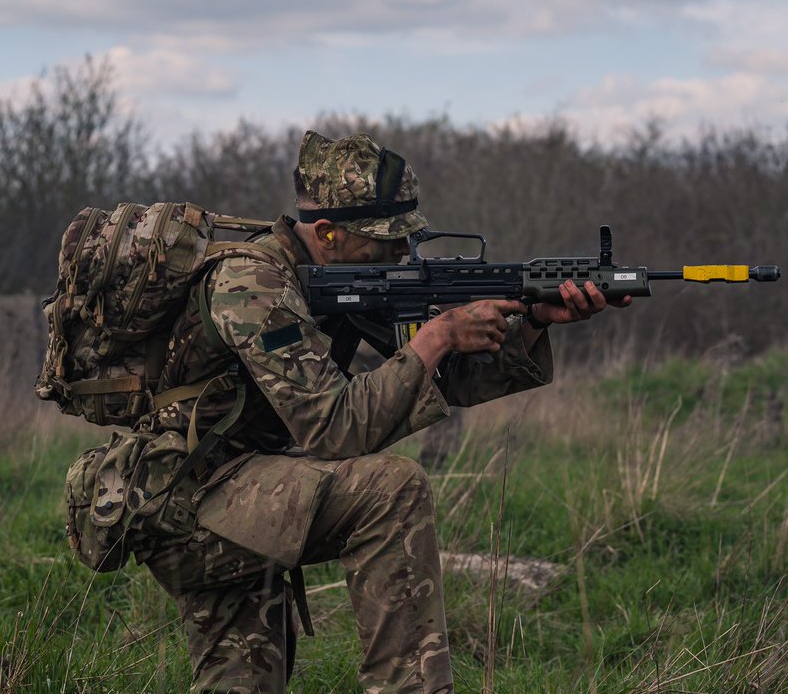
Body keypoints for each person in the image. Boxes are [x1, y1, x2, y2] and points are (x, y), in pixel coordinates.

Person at [131, 130, 629, 693]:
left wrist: (532, 322)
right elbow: (333, 427)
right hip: (186, 499)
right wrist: (439, 334)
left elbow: (438, 382)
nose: (400, 254)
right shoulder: (253, 283)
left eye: (405, 240)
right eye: (385, 241)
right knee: (392, 490)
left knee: (241, 684)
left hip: (240, 491)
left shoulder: (337, 277)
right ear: (326, 232)